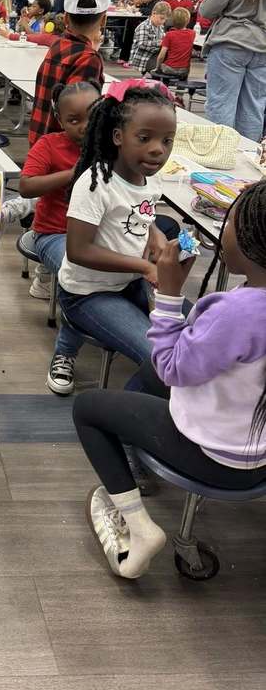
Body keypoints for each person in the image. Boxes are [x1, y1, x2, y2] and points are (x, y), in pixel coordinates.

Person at [74, 180, 266, 580]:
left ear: (249, 241)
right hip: (256, 447)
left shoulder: (238, 313)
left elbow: (171, 367)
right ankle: (135, 435)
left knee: (88, 407)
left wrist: (170, 296)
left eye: (229, 222)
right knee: (144, 374)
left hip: (219, 458)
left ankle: (139, 528)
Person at [57, 80, 178, 369]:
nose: (157, 150)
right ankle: (127, 411)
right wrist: (145, 267)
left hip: (127, 283)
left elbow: (137, 213)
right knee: (158, 358)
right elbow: (78, 250)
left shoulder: (149, 178)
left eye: (167, 140)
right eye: (144, 138)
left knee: (189, 331)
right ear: (118, 136)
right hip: (87, 293)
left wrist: (155, 232)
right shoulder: (96, 183)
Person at [16, 82, 102, 394]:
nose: (83, 127)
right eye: (73, 120)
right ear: (59, 119)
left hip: (99, 233)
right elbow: (26, 187)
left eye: (91, 117)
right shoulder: (50, 145)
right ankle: (65, 352)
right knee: (79, 273)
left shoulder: (113, 146)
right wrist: (77, 170)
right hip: (53, 233)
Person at [200, 0, 266, 141]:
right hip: (263, 48)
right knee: (254, 107)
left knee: (222, 103)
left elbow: (207, 11)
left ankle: (220, 154)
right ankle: (248, 158)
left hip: (231, 44)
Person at [29, 0, 108, 146]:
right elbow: (80, 117)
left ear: (65, 18)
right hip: (64, 151)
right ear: (104, 19)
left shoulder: (57, 45)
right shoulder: (89, 59)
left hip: (40, 140)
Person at [128, 1, 169, 75]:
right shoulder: (144, 26)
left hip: (154, 55)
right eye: (161, 18)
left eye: (165, 20)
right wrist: (160, 43)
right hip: (144, 58)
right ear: (154, 13)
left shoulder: (160, 27)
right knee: (161, 68)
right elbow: (141, 44)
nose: (163, 21)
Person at [157, 7, 195, 79]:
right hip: (185, 70)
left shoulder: (169, 35)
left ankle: (165, 85)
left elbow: (161, 55)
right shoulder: (192, 33)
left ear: (172, 21)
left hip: (169, 68)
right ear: (188, 21)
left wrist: (158, 67)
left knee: (160, 66)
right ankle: (181, 85)